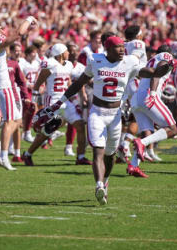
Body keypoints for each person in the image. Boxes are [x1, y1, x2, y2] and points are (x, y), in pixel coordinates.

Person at [42, 36, 152, 205]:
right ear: (107, 49)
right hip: (98, 113)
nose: (122, 49)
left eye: (123, 46)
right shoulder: (95, 60)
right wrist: (60, 102)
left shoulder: (129, 61)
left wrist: (163, 67)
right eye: (118, 47)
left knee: (110, 154)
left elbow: (148, 73)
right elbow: (79, 83)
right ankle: (99, 185)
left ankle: (105, 181)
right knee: (97, 152)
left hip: (115, 115)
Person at [0, 17, 37, 171]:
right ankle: (3, 155)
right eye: (1, 29)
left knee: (17, 121)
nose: (4, 31)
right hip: (4, 87)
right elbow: (18, 34)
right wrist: (28, 20)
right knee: (10, 122)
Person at [23, 43, 90, 165]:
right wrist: (34, 102)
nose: (68, 53)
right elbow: (37, 85)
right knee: (47, 132)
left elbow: (69, 85)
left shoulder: (69, 65)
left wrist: (75, 102)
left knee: (80, 125)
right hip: (53, 103)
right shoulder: (50, 65)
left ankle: (80, 157)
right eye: (66, 51)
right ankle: (27, 154)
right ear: (60, 53)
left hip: (65, 102)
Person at [128, 44, 177, 177]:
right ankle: (141, 143)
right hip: (148, 96)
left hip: (137, 99)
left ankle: (133, 166)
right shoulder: (165, 57)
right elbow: (158, 71)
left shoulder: (152, 59)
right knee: (173, 129)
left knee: (147, 133)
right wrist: (154, 94)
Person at [18, 45, 40, 143]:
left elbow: (39, 75)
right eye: (32, 52)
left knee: (31, 109)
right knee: (25, 110)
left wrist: (40, 85)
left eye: (35, 52)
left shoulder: (37, 62)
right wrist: (28, 84)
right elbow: (20, 75)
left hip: (33, 90)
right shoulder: (22, 62)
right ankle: (24, 132)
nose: (34, 54)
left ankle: (26, 132)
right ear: (27, 54)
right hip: (23, 90)